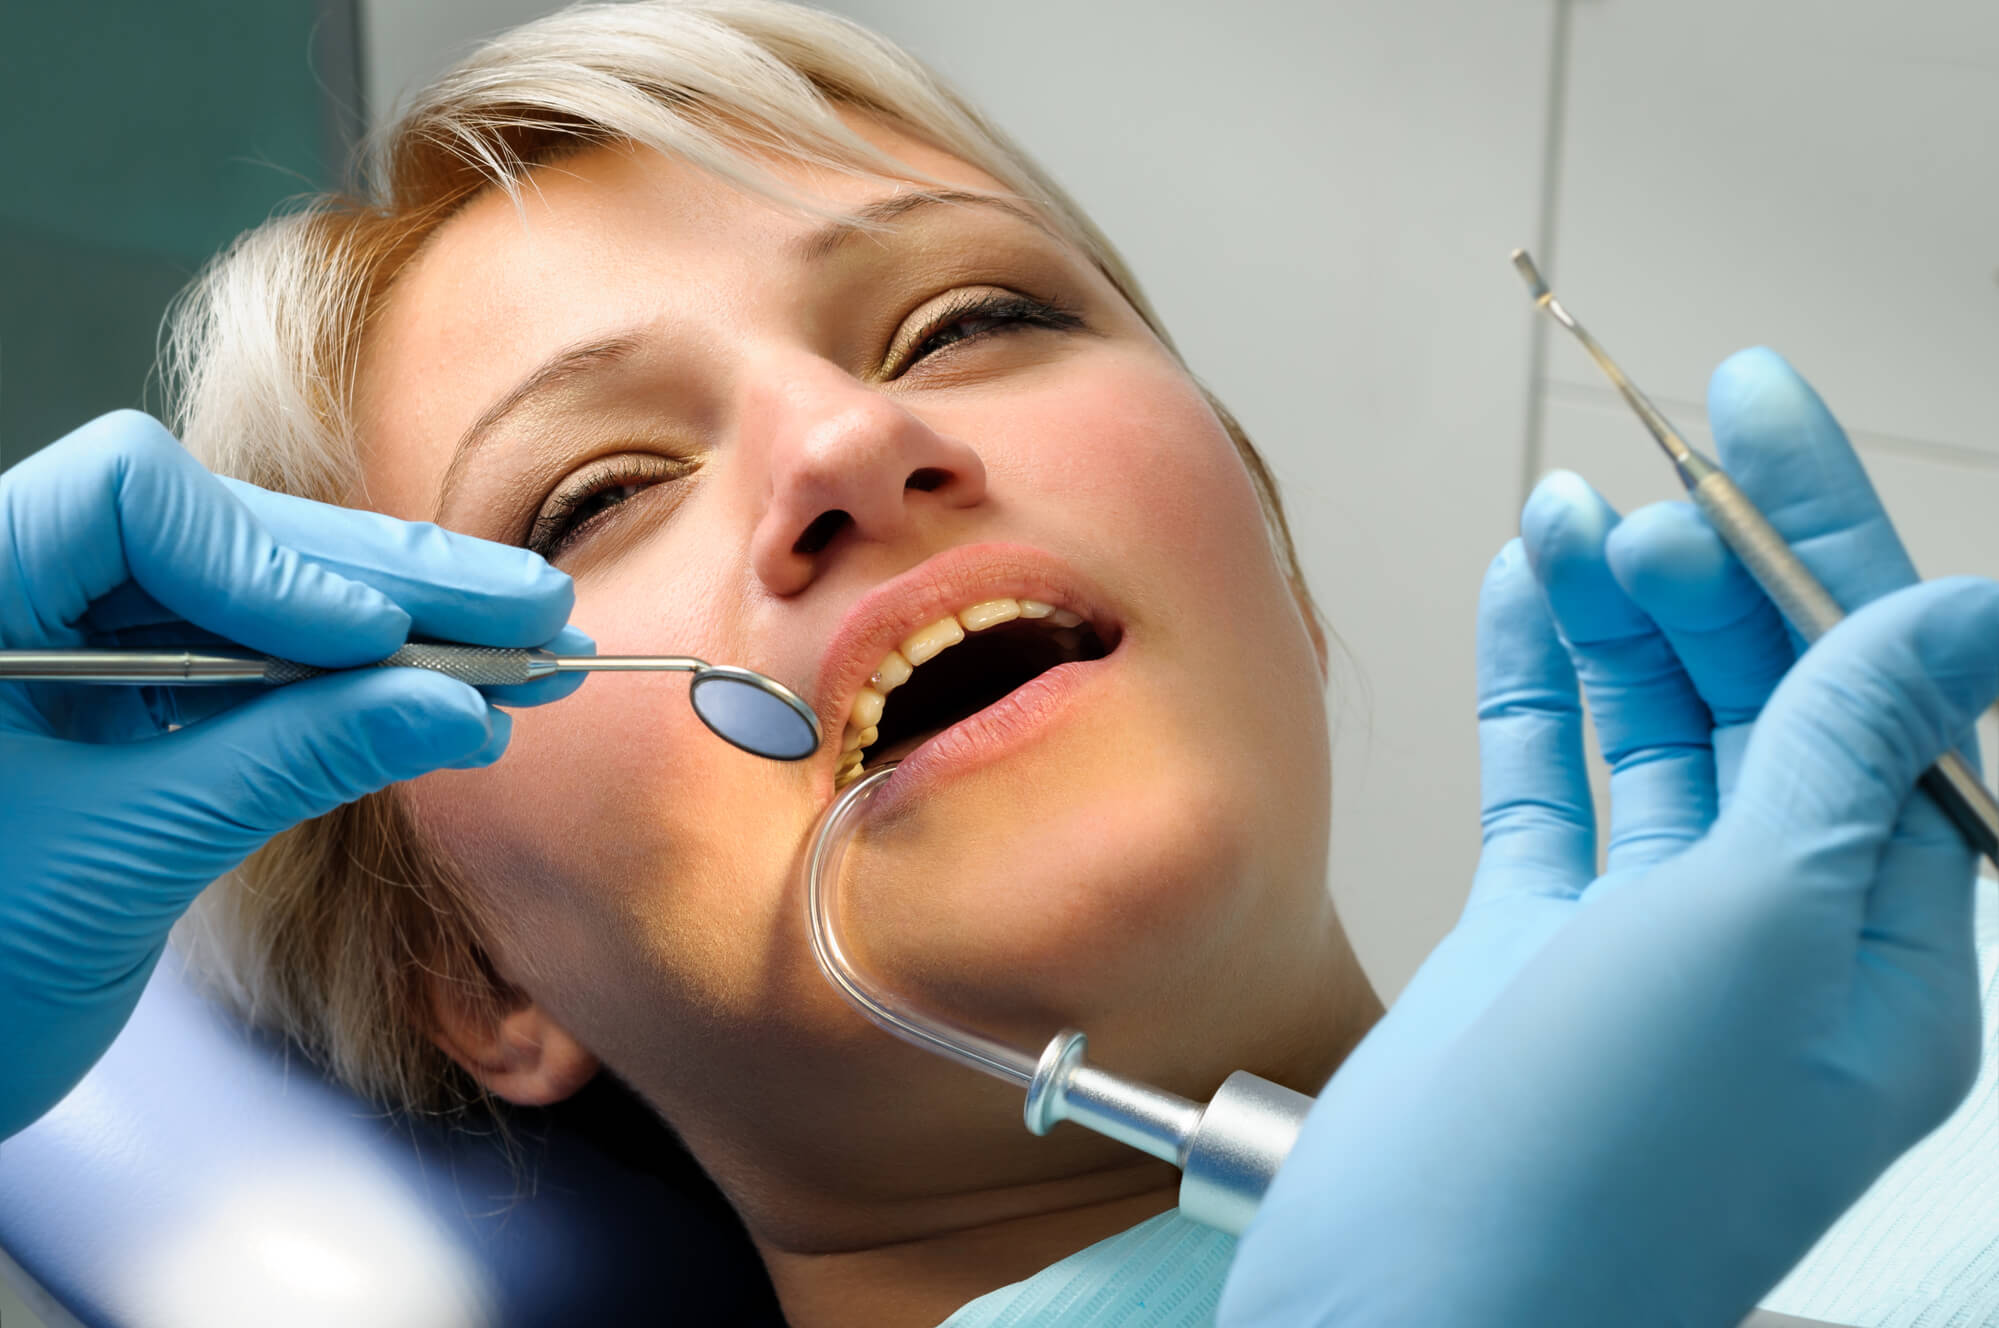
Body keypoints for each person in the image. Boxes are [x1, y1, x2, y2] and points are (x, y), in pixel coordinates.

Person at [3, 4, 1995, 1325]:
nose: (849, 445)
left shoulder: (1940, 981)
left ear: (1274, 567)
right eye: (597, 492)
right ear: (476, 974)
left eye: (962, 319)